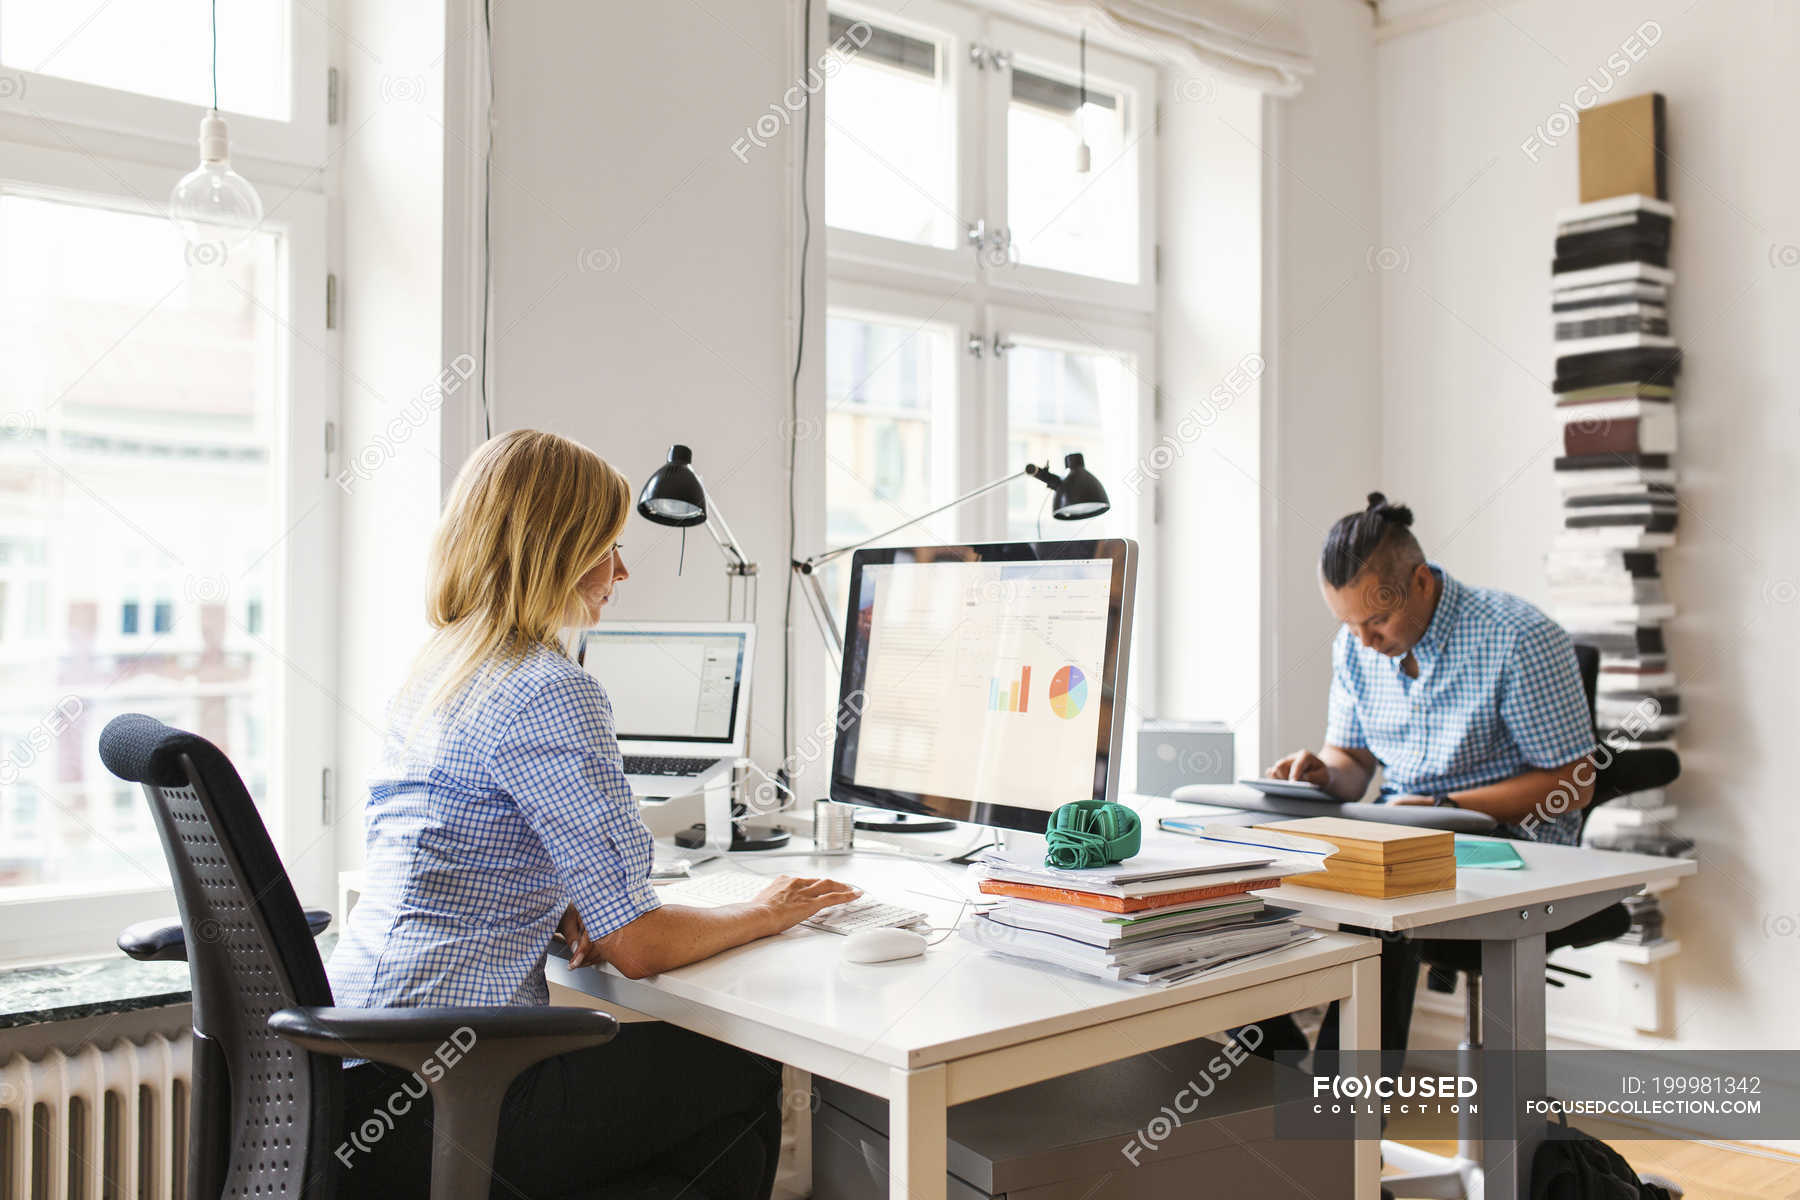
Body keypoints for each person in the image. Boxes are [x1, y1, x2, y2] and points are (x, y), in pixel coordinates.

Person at [328, 430, 859, 1200]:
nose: (621, 569)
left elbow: (460, 853)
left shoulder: (437, 669)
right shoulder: (550, 687)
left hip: (351, 1078)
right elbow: (637, 947)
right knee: (737, 1068)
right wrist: (767, 909)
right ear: (552, 553)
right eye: (605, 546)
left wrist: (563, 899)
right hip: (450, 1103)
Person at [1258, 492, 1598, 1062]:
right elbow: (1352, 763)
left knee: (1374, 909)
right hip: (1401, 827)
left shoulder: (1517, 637)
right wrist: (1321, 773)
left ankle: (1344, 1136)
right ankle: (1273, 1057)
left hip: (1515, 842)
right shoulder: (1356, 645)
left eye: (1378, 620)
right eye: (1348, 623)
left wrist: (1443, 801)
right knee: (1253, 879)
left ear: (1420, 582)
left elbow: (1575, 782)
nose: (1364, 640)